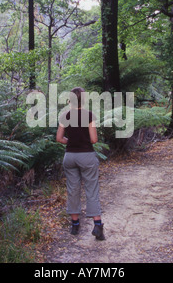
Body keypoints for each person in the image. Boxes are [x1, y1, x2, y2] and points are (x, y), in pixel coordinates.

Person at [56, 87, 105, 240]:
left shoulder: (65, 115)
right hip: (86, 156)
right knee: (91, 189)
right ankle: (97, 225)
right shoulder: (89, 115)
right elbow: (94, 140)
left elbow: (59, 138)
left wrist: (70, 141)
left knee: (73, 189)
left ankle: (75, 225)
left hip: (69, 157)